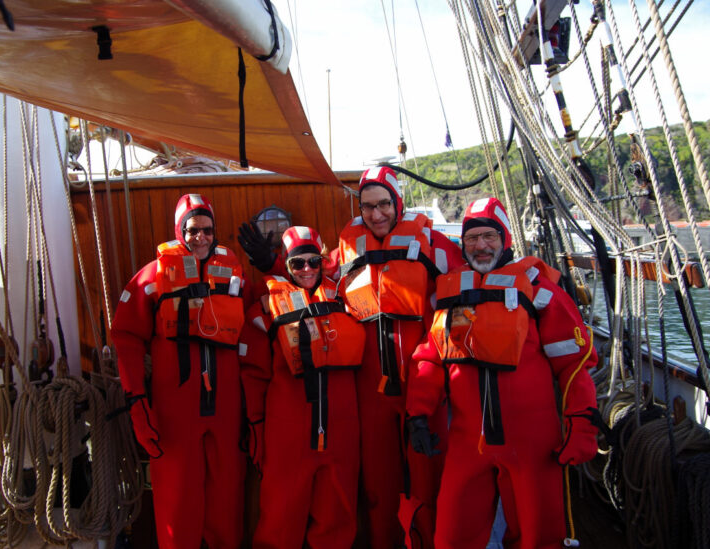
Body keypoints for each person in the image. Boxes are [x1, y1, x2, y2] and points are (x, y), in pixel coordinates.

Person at [406, 197, 599, 549]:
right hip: (468, 442)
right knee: (451, 536)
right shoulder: (450, 292)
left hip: (532, 444)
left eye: (489, 236)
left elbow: (574, 364)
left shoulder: (539, 290)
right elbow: (431, 357)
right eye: (472, 238)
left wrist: (581, 422)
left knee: (539, 537)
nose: (480, 245)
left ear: (505, 238)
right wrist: (418, 413)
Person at [336, 166, 464, 549]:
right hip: (371, 389)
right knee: (379, 484)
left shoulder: (435, 245)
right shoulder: (347, 248)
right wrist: (273, 266)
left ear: (398, 203)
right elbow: (311, 279)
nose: (376, 214)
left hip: (422, 383)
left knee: (428, 479)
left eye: (384, 204)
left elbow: (476, 277)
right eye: (368, 206)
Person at [111, 193, 248, 549]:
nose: (200, 237)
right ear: (179, 231)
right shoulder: (152, 277)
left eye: (207, 230)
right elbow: (125, 337)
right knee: (177, 505)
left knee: (227, 505)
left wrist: (256, 411)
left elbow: (254, 330)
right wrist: (138, 403)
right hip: (176, 413)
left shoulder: (234, 273)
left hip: (225, 411)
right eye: (192, 230)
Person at [238, 226, 365, 549]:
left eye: (313, 261)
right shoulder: (265, 308)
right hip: (289, 433)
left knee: (337, 517)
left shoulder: (347, 296)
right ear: (287, 266)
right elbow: (253, 375)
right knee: (280, 518)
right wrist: (255, 425)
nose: (307, 269)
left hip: (340, 432)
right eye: (297, 263)